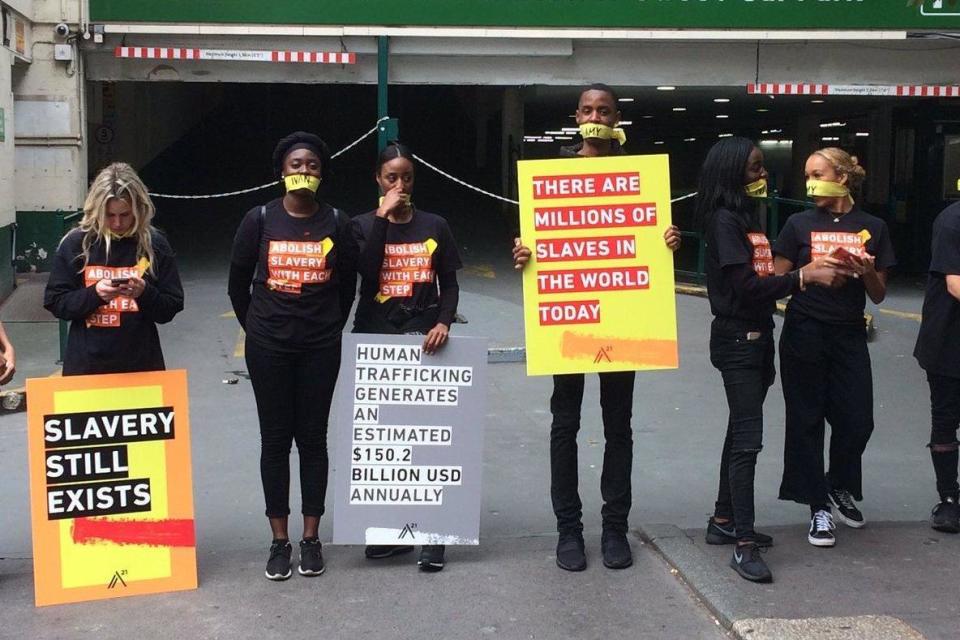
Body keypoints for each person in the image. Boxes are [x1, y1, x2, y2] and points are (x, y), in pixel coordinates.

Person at [513, 84, 681, 571]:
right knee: (565, 425)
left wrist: (666, 240)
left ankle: (614, 529)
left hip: (621, 321)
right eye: (587, 109)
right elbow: (534, 244)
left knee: (618, 427)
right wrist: (523, 255)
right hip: (568, 323)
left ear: (616, 119)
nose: (595, 116)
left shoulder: (638, 176)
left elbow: (649, 242)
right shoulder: (556, 174)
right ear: (576, 116)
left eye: (603, 110)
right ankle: (569, 530)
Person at [696, 137, 848, 582]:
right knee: (748, 441)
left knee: (738, 432)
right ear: (731, 174)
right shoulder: (725, 221)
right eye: (754, 169)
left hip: (757, 338)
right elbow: (746, 287)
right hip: (738, 340)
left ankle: (724, 520)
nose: (763, 176)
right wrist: (804, 276)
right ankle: (743, 545)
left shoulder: (744, 216)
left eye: (761, 168)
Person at [228, 131, 358, 581]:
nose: (304, 172)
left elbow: (347, 285)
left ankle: (311, 538)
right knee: (275, 441)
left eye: (312, 166)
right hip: (269, 348)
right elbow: (238, 283)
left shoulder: (337, 223)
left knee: (313, 440)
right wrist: (261, 330)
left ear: (322, 173)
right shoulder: (259, 219)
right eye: (295, 165)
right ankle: (279, 541)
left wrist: (325, 327)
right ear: (281, 172)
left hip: (320, 347)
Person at [773, 147, 895, 548]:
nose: (810, 183)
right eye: (806, 175)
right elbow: (777, 278)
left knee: (857, 419)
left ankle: (839, 484)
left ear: (842, 177)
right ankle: (817, 506)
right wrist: (810, 273)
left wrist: (864, 272)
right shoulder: (797, 223)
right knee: (806, 419)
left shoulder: (872, 225)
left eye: (818, 173)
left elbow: (878, 294)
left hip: (848, 334)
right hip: (804, 330)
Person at [351, 142, 463, 572]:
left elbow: (449, 284)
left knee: (430, 441)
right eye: (391, 177)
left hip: (425, 338)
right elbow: (365, 271)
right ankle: (388, 532)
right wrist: (382, 217)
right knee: (385, 442)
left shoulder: (436, 225)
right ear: (378, 180)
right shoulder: (362, 225)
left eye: (407, 177)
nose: (400, 184)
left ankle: (434, 535)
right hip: (376, 338)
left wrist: (444, 322)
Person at [44, 162, 184, 376]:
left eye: (125, 215)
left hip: (141, 367)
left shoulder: (154, 244)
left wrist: (144, 293)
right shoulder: (76, 243)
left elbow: (171, 307)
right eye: (109, 215)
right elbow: (55, 301)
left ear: (138, 209)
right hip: (86, 369)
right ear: (97, 210)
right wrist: (95, 294)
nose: (117, 223)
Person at [914, 200, 960, 533]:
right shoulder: (952, 221)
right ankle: (949, 501)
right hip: (949, 340)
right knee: (946, 418)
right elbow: (955, 283)